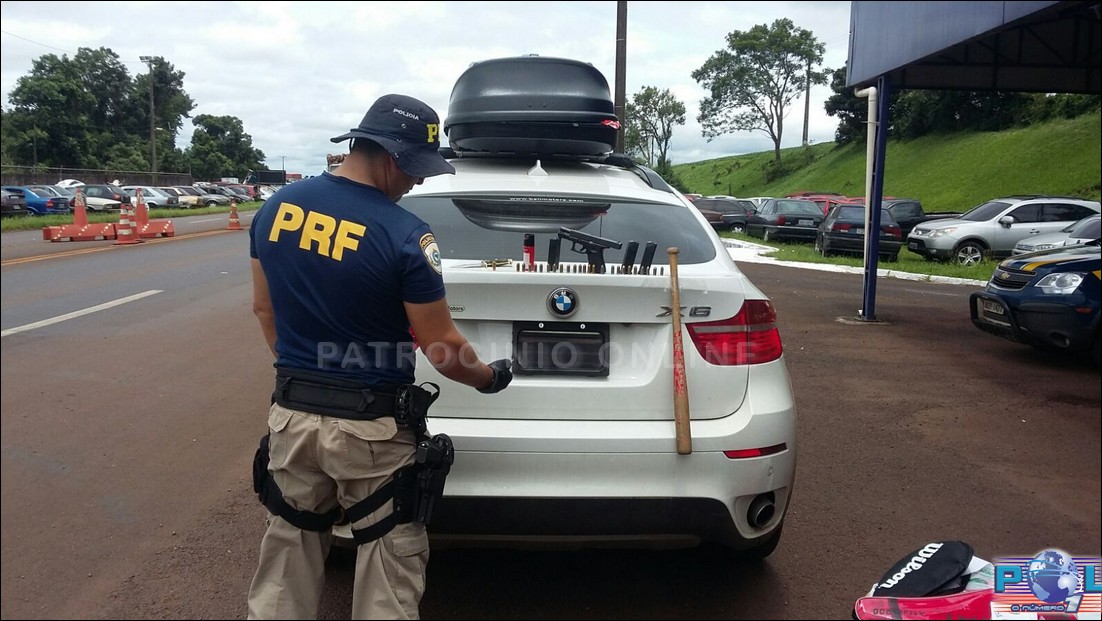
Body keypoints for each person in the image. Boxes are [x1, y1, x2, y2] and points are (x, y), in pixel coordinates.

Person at [246, 93, 512, 620]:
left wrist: (310, 372)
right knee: (389, 566)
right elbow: (442, 347)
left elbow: (263, 309)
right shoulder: (405, 234)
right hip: (372, 432)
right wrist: (487, 378)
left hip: (292, 417)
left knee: (287, 558)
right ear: (391, 157)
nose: (416, 182)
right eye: (415, 169)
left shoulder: (276, 209)